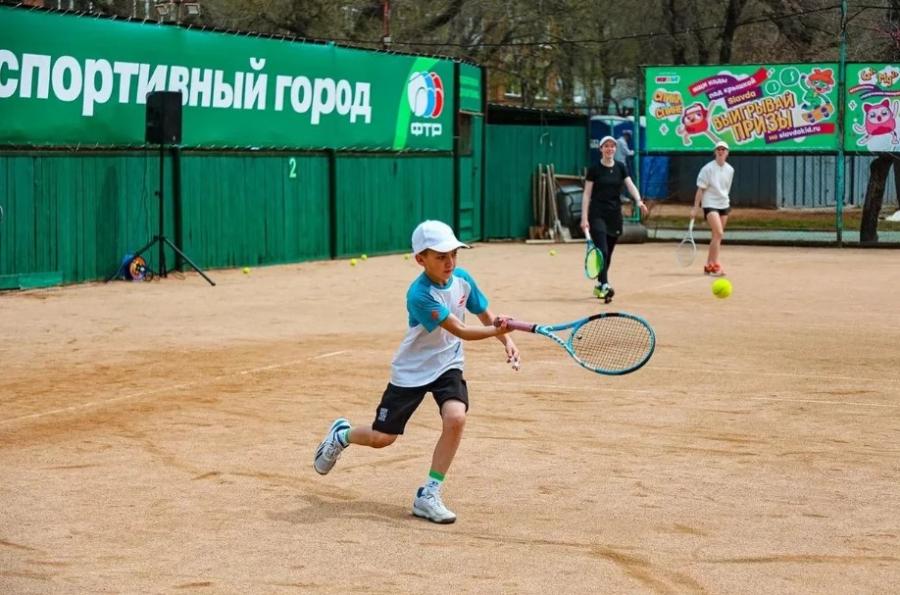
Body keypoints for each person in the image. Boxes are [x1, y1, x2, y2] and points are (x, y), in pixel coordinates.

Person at [313, 220, 520, 525]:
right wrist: (495, 331)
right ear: (420, 260)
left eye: (453, 254)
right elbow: (461, 329)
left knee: (456, 417)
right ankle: (341, 436)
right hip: (412, 370)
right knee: (383, 439)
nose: (449, 262)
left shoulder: (462, 279)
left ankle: (429, 494)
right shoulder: (420, 294)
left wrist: (507, 339)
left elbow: (484, 312)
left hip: (448, 364)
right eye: (440, 256)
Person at [581, 135, 648, 302]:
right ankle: (605, 285)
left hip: (614, 215)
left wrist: (638, 200)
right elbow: (587, 194)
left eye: (612, 146)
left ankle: (599, 285)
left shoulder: (620, 167)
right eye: (606, 146)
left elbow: (630, 185)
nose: (609, 149)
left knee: (608, 254)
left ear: (615, 149)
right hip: (597, 214)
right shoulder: (594, 170)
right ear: (601, 149)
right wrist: (584, 218)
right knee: (602, 250)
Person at [691, 140, 734, 276]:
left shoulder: (730, 169)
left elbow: (726, 189)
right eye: (718, 149)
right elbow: (700, 190)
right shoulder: (707, 169)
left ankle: (709, 265)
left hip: (724, 204)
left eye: (723, 149)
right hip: (710, 203)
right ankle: (715, 265)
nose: (721, 151)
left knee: (717, 236)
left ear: (727, 153)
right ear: (715, 152)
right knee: (719, 233)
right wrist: (695, 208)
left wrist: (725, 201)